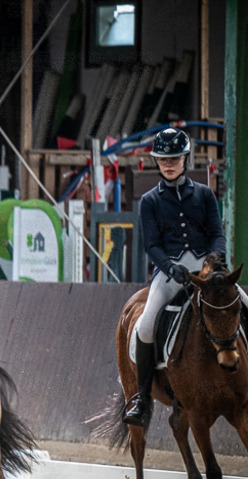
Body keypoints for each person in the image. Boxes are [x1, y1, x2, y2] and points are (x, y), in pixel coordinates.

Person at [123, 127, 248, 426]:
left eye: (175, 159)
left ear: (185, 159)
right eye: (163, 159)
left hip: (205, 269)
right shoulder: (150, 201)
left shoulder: (204, 194)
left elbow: (216, 234)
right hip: (170, 272)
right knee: (147, 322)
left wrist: (216, 260)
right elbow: (151, 244)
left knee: (245, 301)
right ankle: (142, 398)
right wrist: (168, 267)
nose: (169, 164)